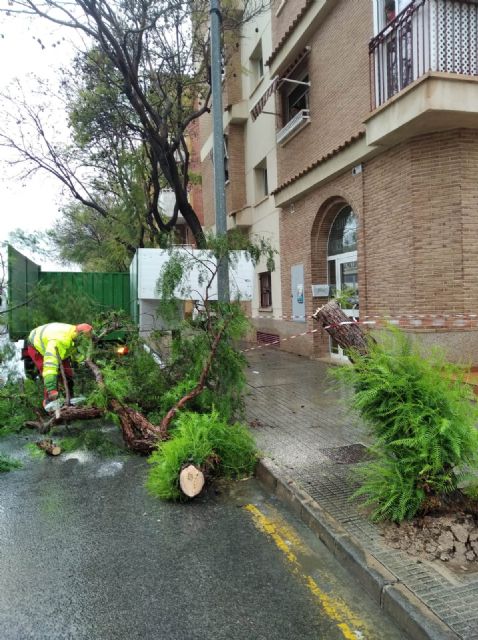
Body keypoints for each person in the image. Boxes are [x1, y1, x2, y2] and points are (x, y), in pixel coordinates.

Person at [26, 322, 93, 407]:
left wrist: (84, 362)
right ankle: (49, 401)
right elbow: (49, 366)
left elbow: (75, 353)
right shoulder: (57, 342)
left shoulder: (74, 336)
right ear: (79, 335)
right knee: (49, 371)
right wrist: (51, 389)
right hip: (36, 347)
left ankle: (69, 397)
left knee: (67, 372)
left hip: (55, 341)